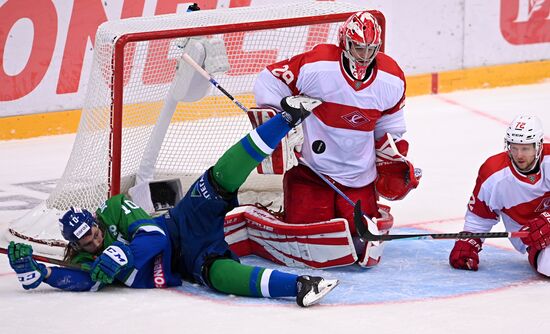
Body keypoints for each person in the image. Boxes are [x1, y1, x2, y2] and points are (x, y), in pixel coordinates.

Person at [7, 96, 339, 307]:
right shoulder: (84, 258)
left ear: (95, 221)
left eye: (93, 233)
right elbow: (80, 280)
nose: (94, 241)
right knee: (221, 278)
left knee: (218, 178)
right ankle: (300, 286)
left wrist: (122, 253)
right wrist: (40, 272)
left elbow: (154, 235)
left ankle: (286, 118)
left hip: (183, 222)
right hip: (186, 262)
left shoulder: (113, 209)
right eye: (87, 242)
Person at [252, 11, 420, 266]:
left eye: (370, 49)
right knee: (308, 235)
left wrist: (393, 157)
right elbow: (269, 80)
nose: (364, 56)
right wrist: (286, 118)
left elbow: (390, 124)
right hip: (312, 171)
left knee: (360, 238)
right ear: (344, 42)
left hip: (358, 177)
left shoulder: (391, 78)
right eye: (358, 48)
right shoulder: (318, 65)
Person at [449, 115, 550, 277]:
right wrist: (469, 242)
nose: (519, 155)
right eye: (514, 148)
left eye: (525, 148)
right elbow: (479, 218)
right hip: (535, 241)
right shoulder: (493, 174)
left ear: (538, 146)